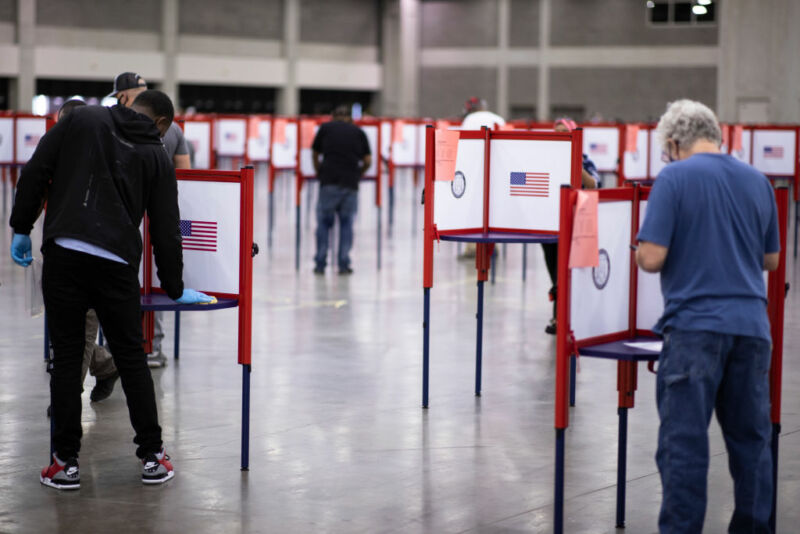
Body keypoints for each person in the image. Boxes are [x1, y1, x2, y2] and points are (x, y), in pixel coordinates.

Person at [9, 90, 213, 490]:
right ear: (162, 125)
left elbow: (36, 171)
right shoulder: (156, 153)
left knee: (67, 359)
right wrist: (174, 287)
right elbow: (166, 227)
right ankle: (153, 458)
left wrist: (20, 228)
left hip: (64, 253)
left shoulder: (81, 119)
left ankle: (64, 464)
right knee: (131, 357)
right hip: (116, 264)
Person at [637, 99, 778, 533]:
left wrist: (642, 249)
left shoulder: (674, 178)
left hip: (695, 329)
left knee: (684, 447)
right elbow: (770, 260)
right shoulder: (758, 180)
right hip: (752, 329)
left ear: (675, 144)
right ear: (716, 135)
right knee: (752, 445)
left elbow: (653, 257)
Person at [109, 72, 191, 368]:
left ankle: (117, 349)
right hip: (160, 212)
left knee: (120, 283)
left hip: (120, 218)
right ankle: (152, 347)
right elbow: (185, 174)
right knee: (152, 287)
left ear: (126, 96)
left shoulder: (113, 126)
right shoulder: (174, 128)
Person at [57, 99, 120, 404]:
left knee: (80, 329)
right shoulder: (56, 156)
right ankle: (108, 365)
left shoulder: (106, 162)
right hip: (59, 255)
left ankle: (67, 399)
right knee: (67, 329)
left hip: (93, 258)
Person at [542, 118, 599, 334]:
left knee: (567, 274)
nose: (559, 136)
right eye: (556, 132)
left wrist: (571, 158)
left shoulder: (584, 160)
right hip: (548, 229)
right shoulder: (545, 158)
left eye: (564, 132)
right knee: (556, 275)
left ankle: (563, 318)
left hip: (574, 226)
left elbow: (593, 184)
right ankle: (560, 316)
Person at [311, 105, 372, 275]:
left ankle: (320, 263)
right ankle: (343, 264)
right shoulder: (358, 132)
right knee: (346, 225)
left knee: (323, 224)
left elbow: (315, 153)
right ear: (350, 118)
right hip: (350, 184)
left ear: (333, 116)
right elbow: (368, 160)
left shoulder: (325, 128)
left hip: (328, 182)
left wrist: (319, 171)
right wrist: (358, 173)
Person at [458, 97, 507, 259]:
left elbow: (462, 145)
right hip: (496, 172)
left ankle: (472, 248)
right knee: (493, 209)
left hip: (474, 172)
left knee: (472, 209)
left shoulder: (469, 120)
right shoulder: (498, 119)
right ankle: (493, 247)